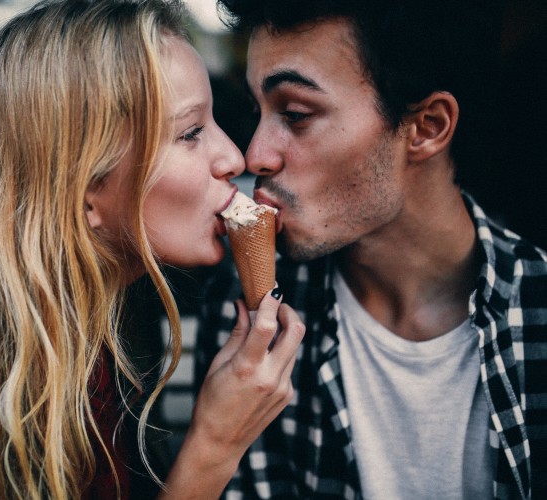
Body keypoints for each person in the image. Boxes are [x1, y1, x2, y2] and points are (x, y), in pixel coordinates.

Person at [0, 0, 306, 498]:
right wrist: (214, 446)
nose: (234, 157)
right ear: (85, 188)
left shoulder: (114, 324)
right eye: (191, 132)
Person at [196, 0, 547, 498]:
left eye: (295, 114)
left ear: (427, 127)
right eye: (258, 112)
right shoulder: (251, 307)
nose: (255, 154)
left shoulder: (536, 312)